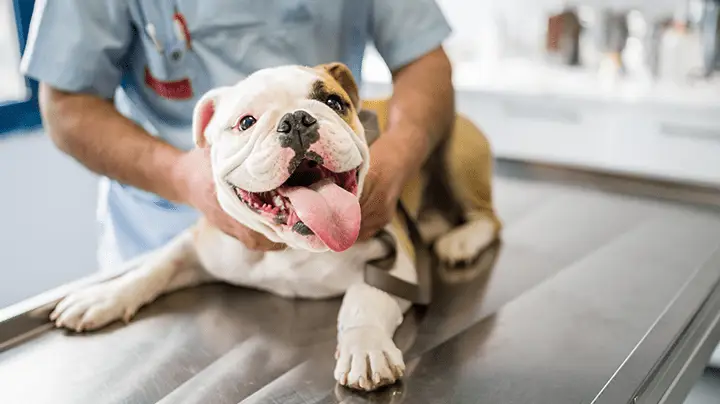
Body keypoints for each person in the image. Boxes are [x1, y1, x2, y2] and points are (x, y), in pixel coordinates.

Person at [20, 0, 455, 270]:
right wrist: (182, 177)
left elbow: (424, 59)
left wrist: (397, 156)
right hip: (164, 235)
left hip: (336, 220)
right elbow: (66, 104)